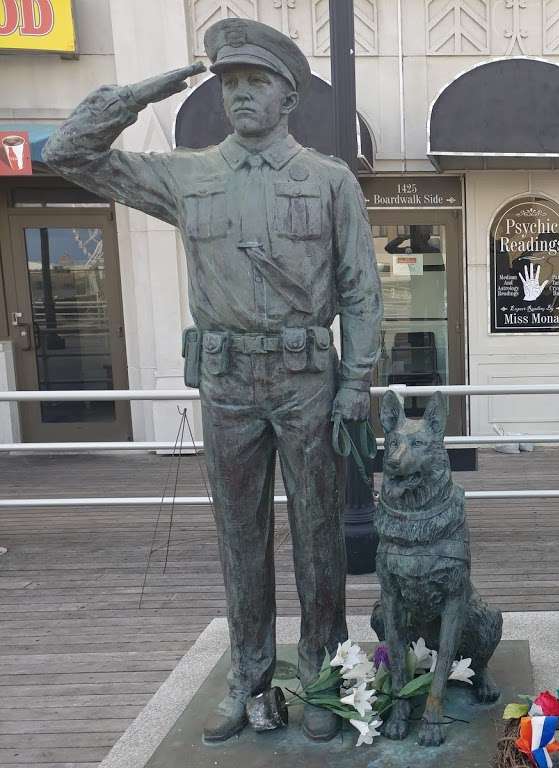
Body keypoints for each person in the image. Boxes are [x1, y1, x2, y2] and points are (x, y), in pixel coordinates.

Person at [43, 18, 383, 743]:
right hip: (226, 380)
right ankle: (252, 684)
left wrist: (357, 380)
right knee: (239, 539)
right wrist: (139, 93)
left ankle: (324, 677)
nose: (240, 95)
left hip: (305, 380)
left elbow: (361, 290)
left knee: (320, 537)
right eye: (230, 83)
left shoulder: (328, 182)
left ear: (288, 95)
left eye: (256, 82)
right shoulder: (187, 176)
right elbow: (69, 152)